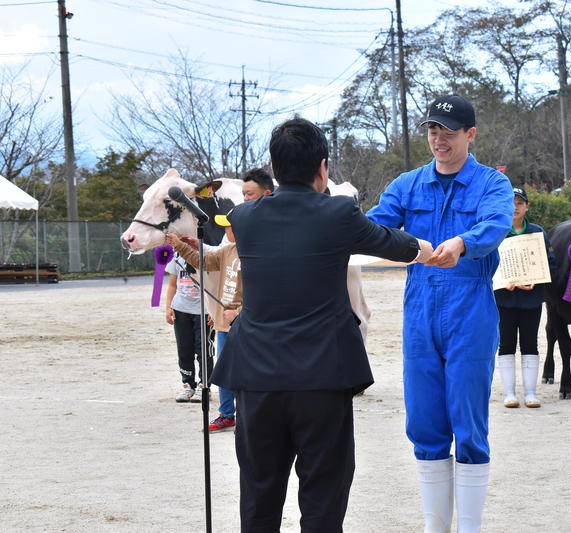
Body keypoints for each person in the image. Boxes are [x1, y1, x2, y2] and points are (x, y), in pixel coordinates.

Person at [210, 118, 433, 532]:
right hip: (322, 373)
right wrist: (426, 249)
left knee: (259, 491)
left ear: (274, 168)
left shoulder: (244, 218)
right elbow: (390, 242)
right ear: (323, 167)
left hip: (256, 374)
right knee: (324, 493)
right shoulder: (338, 212)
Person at [366, 94, 513, 533]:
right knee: (424, 420)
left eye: (448, 131)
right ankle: (435, 526)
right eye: (432, 130)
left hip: (470, 305)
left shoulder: (492, 183)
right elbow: (374, 226)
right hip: (419, 308)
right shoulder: (407, 184)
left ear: (470, 134)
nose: (438, 139)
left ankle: (468, 528)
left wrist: (462, 244)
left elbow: (495, 224)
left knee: (468, 420)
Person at [165, 214, 243, 432]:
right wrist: (182, 246)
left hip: (246, 324)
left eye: (228, 227)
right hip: (223, 325)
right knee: (224, 370)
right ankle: (227, 414)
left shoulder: (253, 254)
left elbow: (262, 292)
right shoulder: (227, 251)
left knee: (246, 372)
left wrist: (239, 311)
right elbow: (203, 260)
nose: (225, 231)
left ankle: (247, 416)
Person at [494, 186, 557, 409]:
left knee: (531, 343)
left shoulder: (538, 232)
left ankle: (531, 393)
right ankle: (509, 393)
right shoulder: (497, 231)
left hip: (531, 300)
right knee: (506, 344)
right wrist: (504, 283)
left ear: (527, 206)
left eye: (519, 203)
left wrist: (536, 280)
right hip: (504, 299)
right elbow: (488, 266)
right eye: (511, 203)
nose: (515, 208)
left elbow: (551, 264)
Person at [165, 253, 214, 403]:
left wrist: (214, 309)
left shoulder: (208, 254)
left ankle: (204, 386)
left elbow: (216, 283)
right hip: (181, 310)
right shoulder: (176, 256)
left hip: (204, 311)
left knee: (204, 350)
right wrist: (168, 308)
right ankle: (188, 385)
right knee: (184, 349)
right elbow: (172, 284)